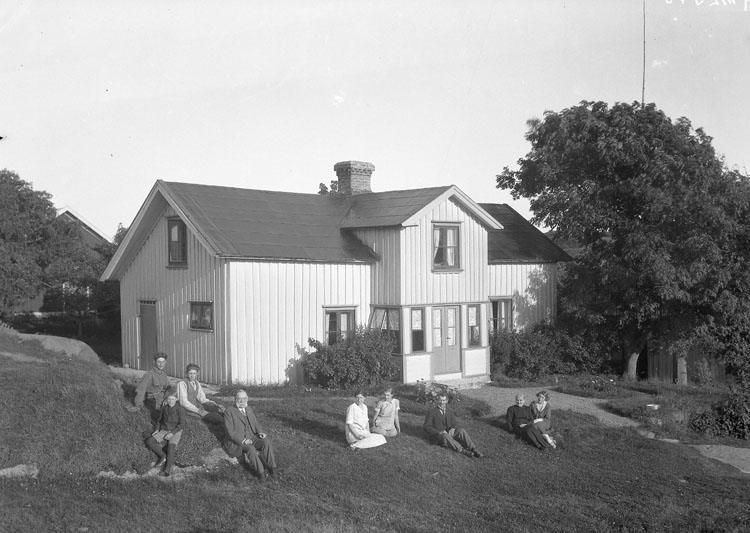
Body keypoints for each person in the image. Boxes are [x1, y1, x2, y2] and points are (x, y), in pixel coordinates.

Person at [223, 390, 278, 479]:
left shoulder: (248, 409)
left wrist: (260, 432)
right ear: (235, 399)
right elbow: (231, 432)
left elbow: (255, 423)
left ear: (247, 399)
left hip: (251, 437)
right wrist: (243, 440)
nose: (242, 401)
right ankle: (261, 473)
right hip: (237, 442)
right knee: (250, 448)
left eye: (244, 399)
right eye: (239, 399)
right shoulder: (229, 411)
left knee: (266, 442)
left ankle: (273, 468)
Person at [423, 393, 483, 458]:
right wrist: (439, 432)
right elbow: (426, 426)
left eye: (443, 400)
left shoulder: (449, 411)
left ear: (446, 401)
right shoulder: (432, 412)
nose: (442, 402)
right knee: (445, 435)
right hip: (439, 436)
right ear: (437, 400)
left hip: (449, 433)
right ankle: (463, 451)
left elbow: (455, 423)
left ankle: (473, 449)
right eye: (440, 400)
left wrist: (453, 428)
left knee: (461, 430)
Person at [144, 388, 185, 477]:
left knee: (171, 448)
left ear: (176, 399)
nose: (170, 401)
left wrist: (172, 433)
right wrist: (157, 429)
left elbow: (181, 424)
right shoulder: (164, 408)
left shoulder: (180, 409)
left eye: (173, 399)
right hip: (164, 429)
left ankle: (167, 470)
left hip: (176, 430)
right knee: (150, 441)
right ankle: (163, 456)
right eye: (169, 399)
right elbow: (159, 420)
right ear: (166, 399)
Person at [129, 352, 171, 421]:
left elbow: (168, 388)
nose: (161, 364)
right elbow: (141, 389)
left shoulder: (164, 375)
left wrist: (167, 398)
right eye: (159, 362)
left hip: (162, 398)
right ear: (154, 362)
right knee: (164, 414)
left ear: (165, 362)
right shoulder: (149, 374)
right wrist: (137, 405)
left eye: (163, 362)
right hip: (152, 400)